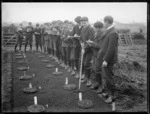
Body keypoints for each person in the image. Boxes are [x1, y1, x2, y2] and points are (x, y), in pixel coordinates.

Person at [95, 16, 119, 103]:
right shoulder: (108, 31)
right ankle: (108, 93)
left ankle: (112, 96)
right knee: (106, 76)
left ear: (107, 22)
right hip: (104, 57)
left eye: (104, 22)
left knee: (109, 78)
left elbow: (111, 48)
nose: (103, 24)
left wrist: (106, 60)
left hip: (108, 59)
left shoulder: (113, 33)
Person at [86, 21, 105, 90]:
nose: (95, 29)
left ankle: (100, 86)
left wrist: (92, 43)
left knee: (98, 70)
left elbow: (101, 46)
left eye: (97, 28)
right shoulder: (95, 33)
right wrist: (90, 43)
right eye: (95, 27)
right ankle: (96, 83)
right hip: (94, 54)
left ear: (101, 28)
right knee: (94, 69)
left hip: (99, 55)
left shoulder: (103, 34)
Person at [80, 17, 95, 87]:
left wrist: (84, 47)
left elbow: (90, 40)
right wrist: (81, 44)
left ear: (88, 22)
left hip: (90, 50)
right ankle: (86, 78)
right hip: (84, 49)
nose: (83, 24)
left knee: (87, 64)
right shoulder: (82, 29)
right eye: (82, 23)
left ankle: (89, 80)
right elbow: (81, 38)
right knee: (83, 63)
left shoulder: (91, 29)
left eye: (85, 22)